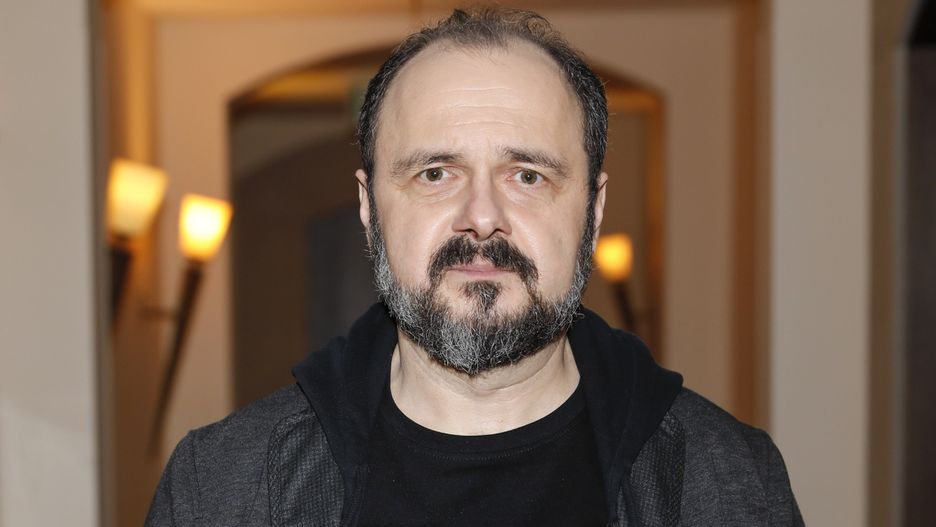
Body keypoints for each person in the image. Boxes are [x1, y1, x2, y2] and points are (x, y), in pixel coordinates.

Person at [146, 7, 803, 526]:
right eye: (436, 173)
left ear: (594, 209)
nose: (482, 217)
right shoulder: (220, 488)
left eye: (527, 175)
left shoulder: (732, 481)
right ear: (369, 208)